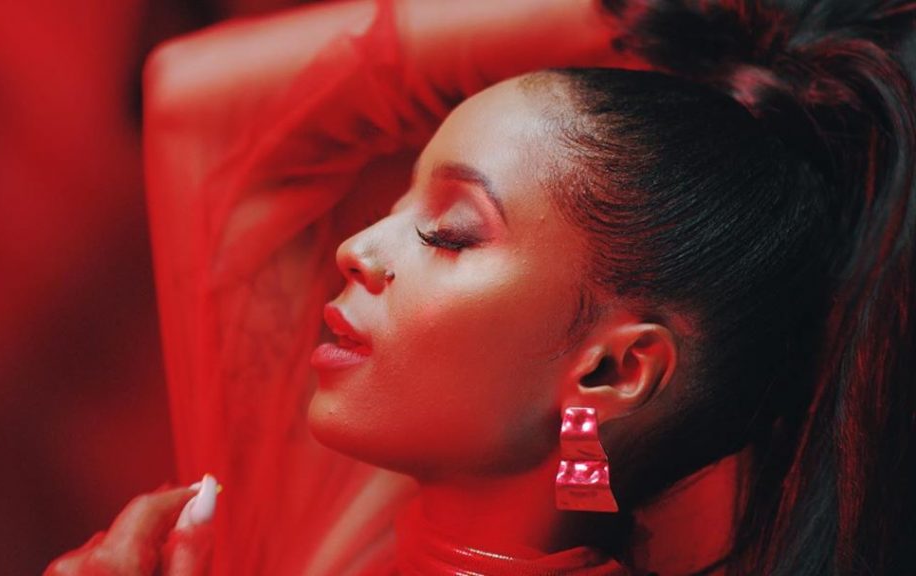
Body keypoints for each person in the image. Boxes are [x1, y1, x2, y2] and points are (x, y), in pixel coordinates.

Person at [46, 0, 916, 574]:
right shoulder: (340, 537)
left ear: (611, 371)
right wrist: (682, 22)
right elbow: (196, 99)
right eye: (396, 205)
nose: (355, 248)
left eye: (448, 231)